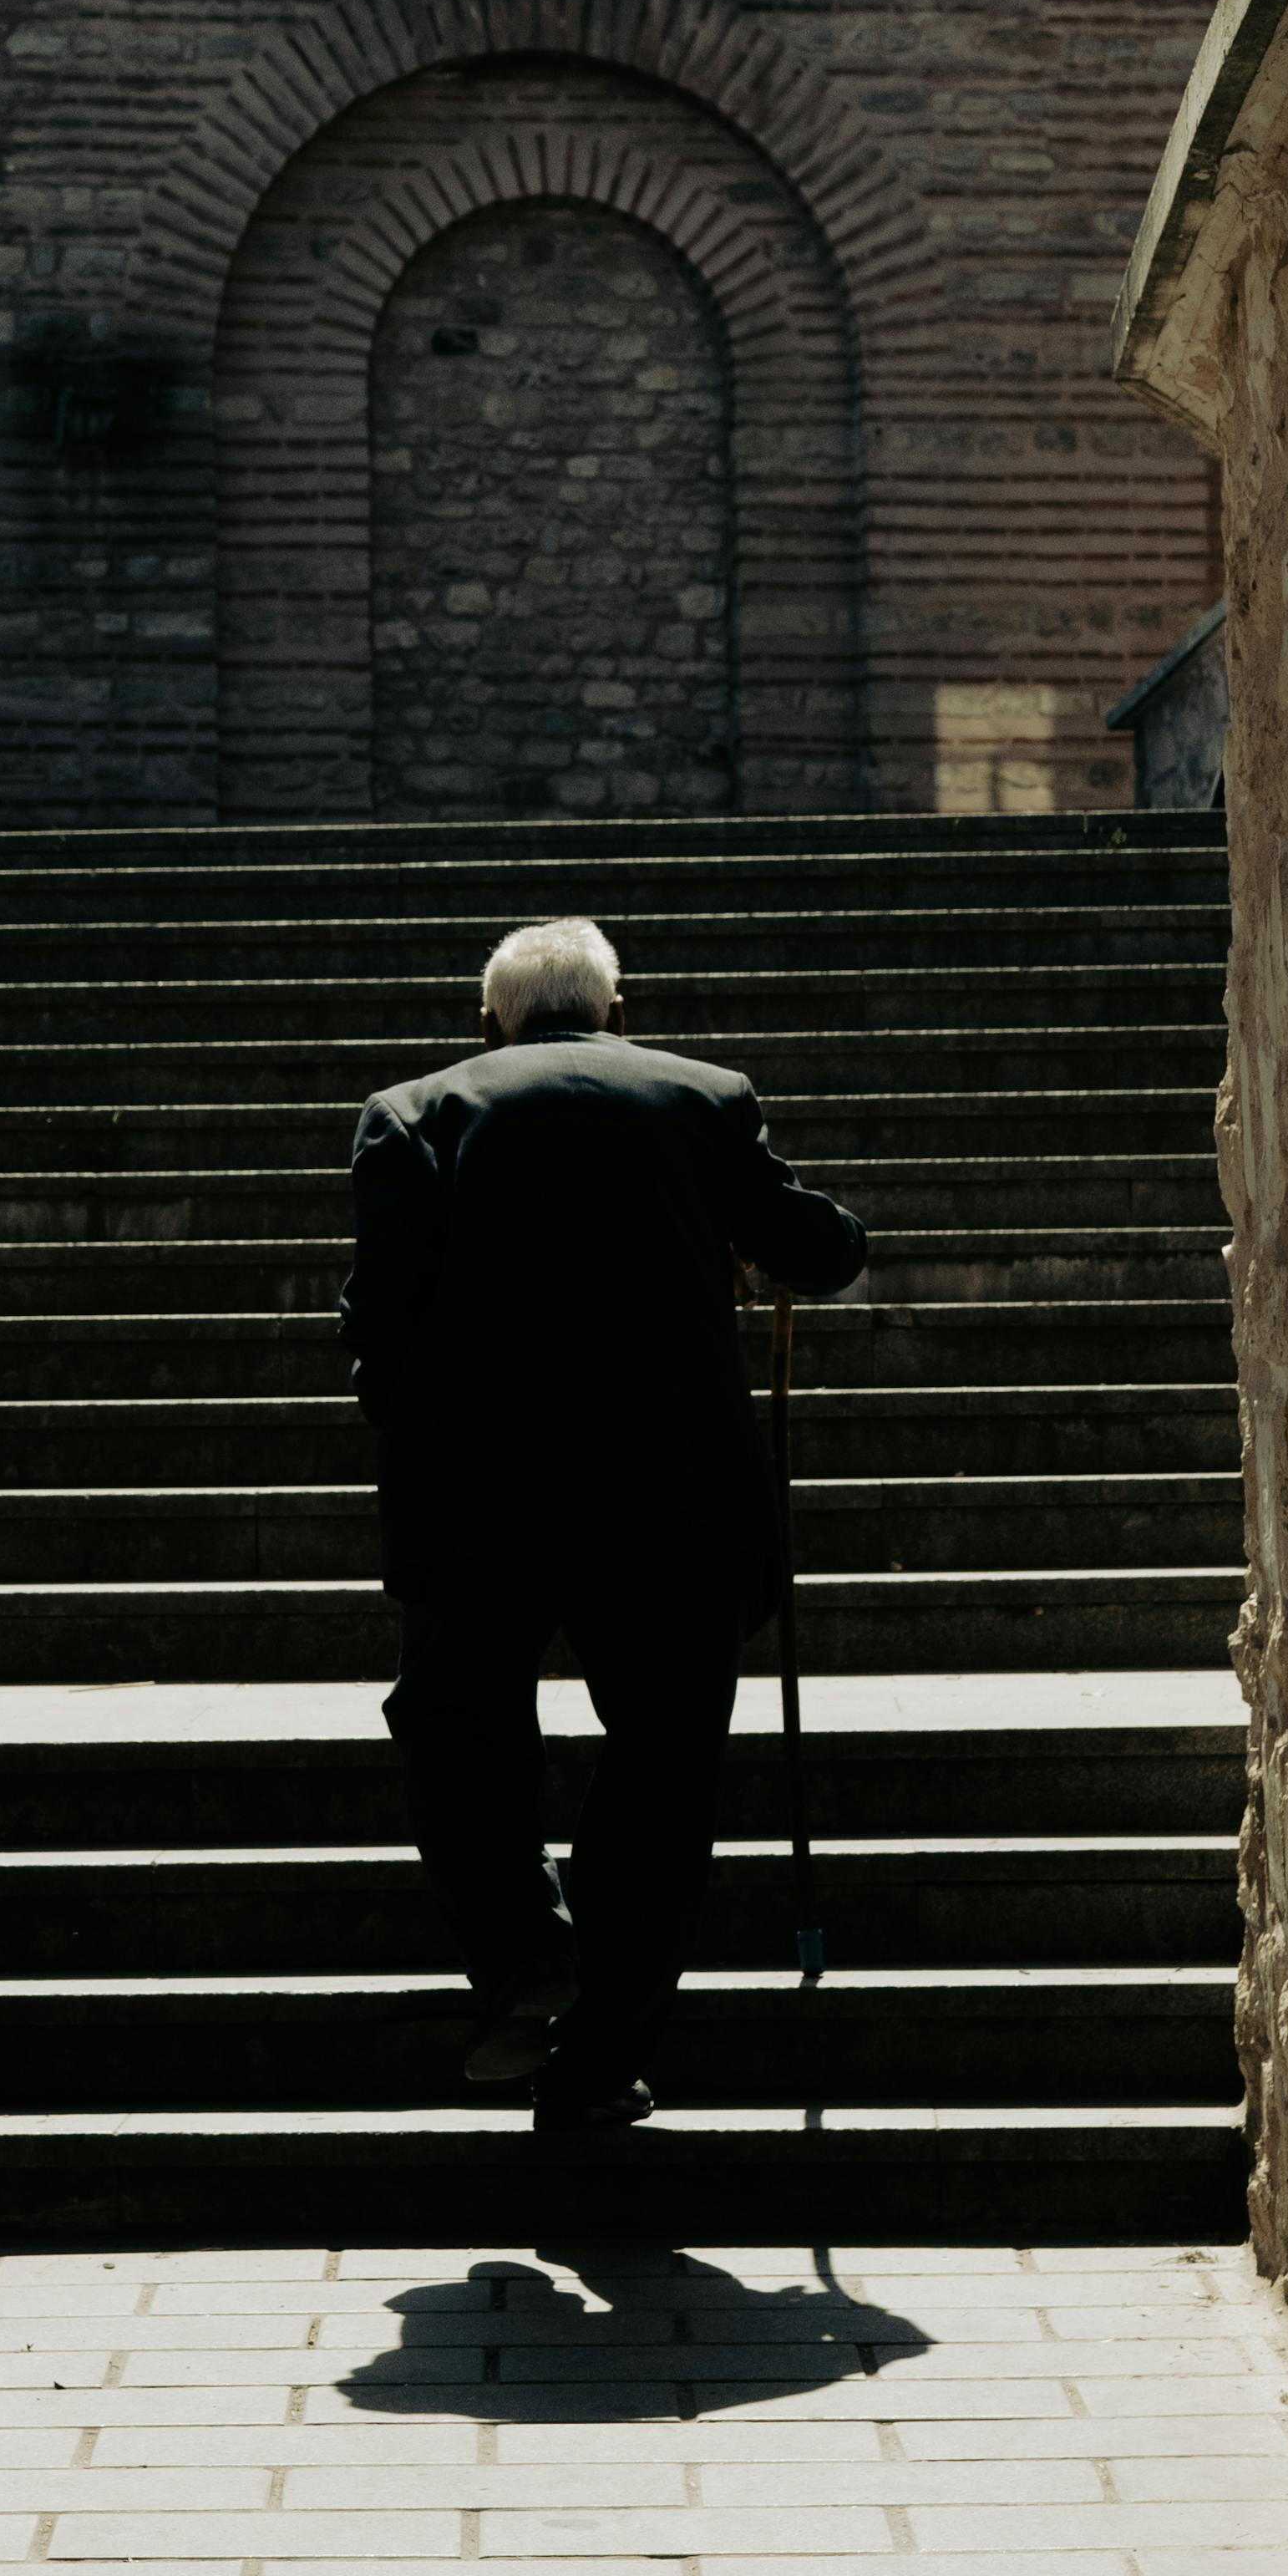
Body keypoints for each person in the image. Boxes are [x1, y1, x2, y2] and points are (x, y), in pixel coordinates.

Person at [341, 910, 869, 2128]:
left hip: (479, 1496)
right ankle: (599, 2062)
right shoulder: (703, 1096)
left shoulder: (412, 1114)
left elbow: (378, 1322)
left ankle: (526, 1958)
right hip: (675, 1498)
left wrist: (414, 1409)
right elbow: (823, 1249)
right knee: (663, 1773)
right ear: (617, 1013)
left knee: (456, 1734)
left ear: (492, 1021)